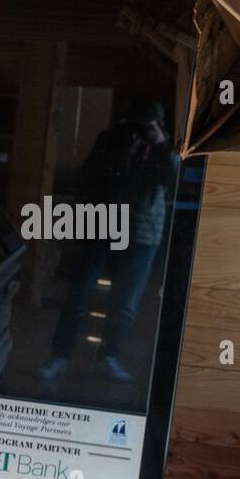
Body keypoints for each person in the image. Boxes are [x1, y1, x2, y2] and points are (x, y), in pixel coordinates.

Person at [36, 98, 179, 384]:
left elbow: (173, 179)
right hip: (103, 225)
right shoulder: (111, 140)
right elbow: (89, 175)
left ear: (159, 126)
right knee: (80, 294)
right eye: (134, 126)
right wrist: (120, 153)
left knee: (126, 301)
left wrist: (162, 146)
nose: (138, 132)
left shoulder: (165, 148)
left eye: (146, 128)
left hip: (143, 233)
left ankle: (108, 358)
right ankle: (60, 357)